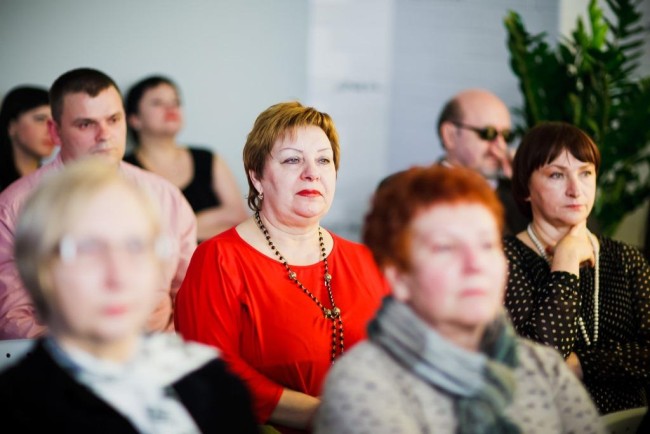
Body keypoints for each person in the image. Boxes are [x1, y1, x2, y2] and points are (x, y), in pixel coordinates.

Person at [315, 165, 604, 434]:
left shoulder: (542, 366)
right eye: (446, 248)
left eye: (486, 245)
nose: (474, 264)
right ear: (399, 277)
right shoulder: (362, 383)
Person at [175, 101, 390, 433]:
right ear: (257, 177)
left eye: (323, 160)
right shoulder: (218, 258)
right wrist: (317, 414)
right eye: (292, 160)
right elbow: (210, 370)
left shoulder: (365, 260)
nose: (312, 172)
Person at [0, 158, 258, 433]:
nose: (118, 276)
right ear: (39, 266)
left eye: (135, 246)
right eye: (87, 249)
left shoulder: (213, 383)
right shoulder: (14, 407)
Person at [0, 68, 197, 339]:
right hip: (64, 356)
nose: (104, 135)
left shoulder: (166, 197)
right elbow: (12, 318)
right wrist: (92, 352)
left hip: (160, 350)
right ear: (55, 131)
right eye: (86, 124)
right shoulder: (14, 207)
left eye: (113, 120)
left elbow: (190, 299)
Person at [504, 121, 650, 414]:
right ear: (525, 189)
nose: (575, 190)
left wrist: (583, 364)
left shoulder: (626, 259)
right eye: (557, 175)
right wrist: (567, 260)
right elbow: (538, 364)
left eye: (585, 173)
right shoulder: (503, 260)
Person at [124, 75, 247, 242]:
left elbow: (239, 217)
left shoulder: (207, 159)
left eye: (175, 102)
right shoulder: (123, 169)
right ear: (134, 119)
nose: (170, 108)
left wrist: (178, 229)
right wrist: (206, 225)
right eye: (157, 103)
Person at [436, 89, 528, 234]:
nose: (501, 146)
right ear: (450, 135)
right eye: (488, 133)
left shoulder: (519, 196)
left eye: (506, 136)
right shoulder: (413, 192)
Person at [0, 86, 56, 191]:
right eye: (40, 119)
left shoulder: (55, 184)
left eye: (55, 122)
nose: (51, 129)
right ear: (11, 126)